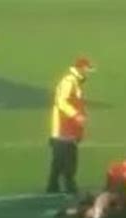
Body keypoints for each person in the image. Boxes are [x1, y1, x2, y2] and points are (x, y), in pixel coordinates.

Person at [46, 57, 94, 194]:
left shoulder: (75, 82)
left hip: (68, 128)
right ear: (81, 68)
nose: (87, 73)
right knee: (68, 160)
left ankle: (53, 186)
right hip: (63, 127)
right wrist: (76, 115)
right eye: (87, 69)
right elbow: (61, 101)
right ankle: (69, 187)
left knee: (60, 160)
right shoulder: (69, 82)